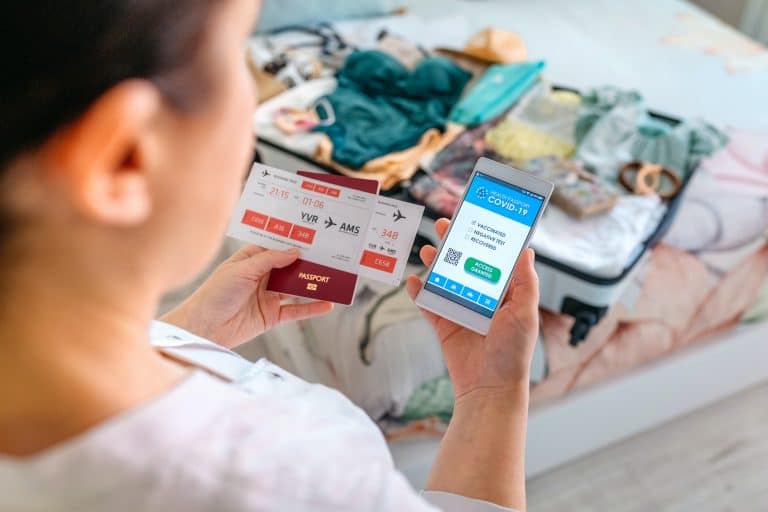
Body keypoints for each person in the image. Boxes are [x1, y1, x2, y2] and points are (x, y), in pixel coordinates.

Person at [0, 1, 540, 511]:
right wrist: (492, 391)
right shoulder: (302, 480)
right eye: (237, 53)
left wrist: (186, 336)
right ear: (125, 156)